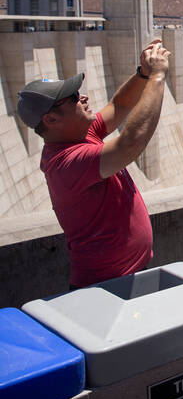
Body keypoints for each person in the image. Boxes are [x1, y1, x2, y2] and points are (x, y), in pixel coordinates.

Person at [17, 39, 171, 289]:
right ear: (52, 118)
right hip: (105, 288)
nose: (84, 97)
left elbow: (119, 105)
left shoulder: (81, 134)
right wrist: (156, 77)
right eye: (73, 97)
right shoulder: (66, 164)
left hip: (127, 276)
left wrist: (142, 74)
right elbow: (130, 143)